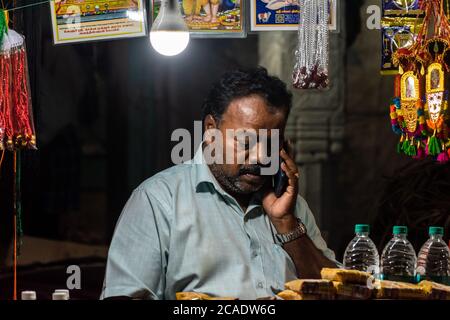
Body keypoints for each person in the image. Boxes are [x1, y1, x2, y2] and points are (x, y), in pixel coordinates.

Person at [101, 67, 337, 300]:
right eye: (246, 142)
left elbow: (338, 293)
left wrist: (286, 224)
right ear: (211, 130)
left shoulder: (291, 208)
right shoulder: (158, 200)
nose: (261, 158)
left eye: (271, 144)